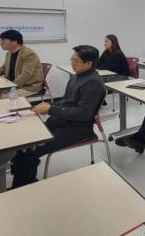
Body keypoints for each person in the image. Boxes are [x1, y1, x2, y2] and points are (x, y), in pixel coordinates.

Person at [10, 45, 105, 188]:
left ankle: (23, 187)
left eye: (76, 60)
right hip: (62, 122)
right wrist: (48, 105)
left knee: (31, 151)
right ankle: (22, 181)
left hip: (77, 129)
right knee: (25, 142)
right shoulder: (76, 76)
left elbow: (83, 114)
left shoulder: (93, 83)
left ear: (88, 63)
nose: (72, 62)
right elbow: (66, 101)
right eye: (72, 59)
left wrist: (50, 109)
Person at [0, 29, 43, 98]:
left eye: (4, 41)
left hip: (28, 87)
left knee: (2, 96)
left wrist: (11, 86)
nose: (1, 43)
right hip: (12, 84)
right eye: (1, 41)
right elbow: (3, 68)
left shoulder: (29, 54)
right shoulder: (9, 53)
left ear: (15, 42)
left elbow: (26, 74)